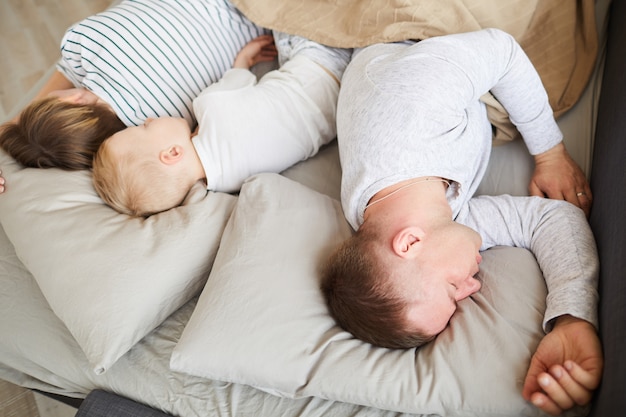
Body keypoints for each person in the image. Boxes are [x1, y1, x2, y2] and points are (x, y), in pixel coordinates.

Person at [321, 29, 602, 416]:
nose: (472, 286)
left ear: (409, 244)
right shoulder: (431, 219)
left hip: (411, 32)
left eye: (453, 287)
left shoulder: (411, 107)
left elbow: (502, 51)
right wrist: (571, 319)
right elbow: (553, 218)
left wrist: (550, 154)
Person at [92, 32, 351, 216]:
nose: (148, 119)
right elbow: (239, 79)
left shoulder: (229, 184)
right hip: (319, 60)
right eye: (144, 128)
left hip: (342, 104)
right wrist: (244, 61)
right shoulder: (209, 105)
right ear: (172, 153)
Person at [0, 0, 271, 175]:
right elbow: (66, 68)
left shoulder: (165, 126)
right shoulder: (87, 40)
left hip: (261, 23)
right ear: (75, 98)